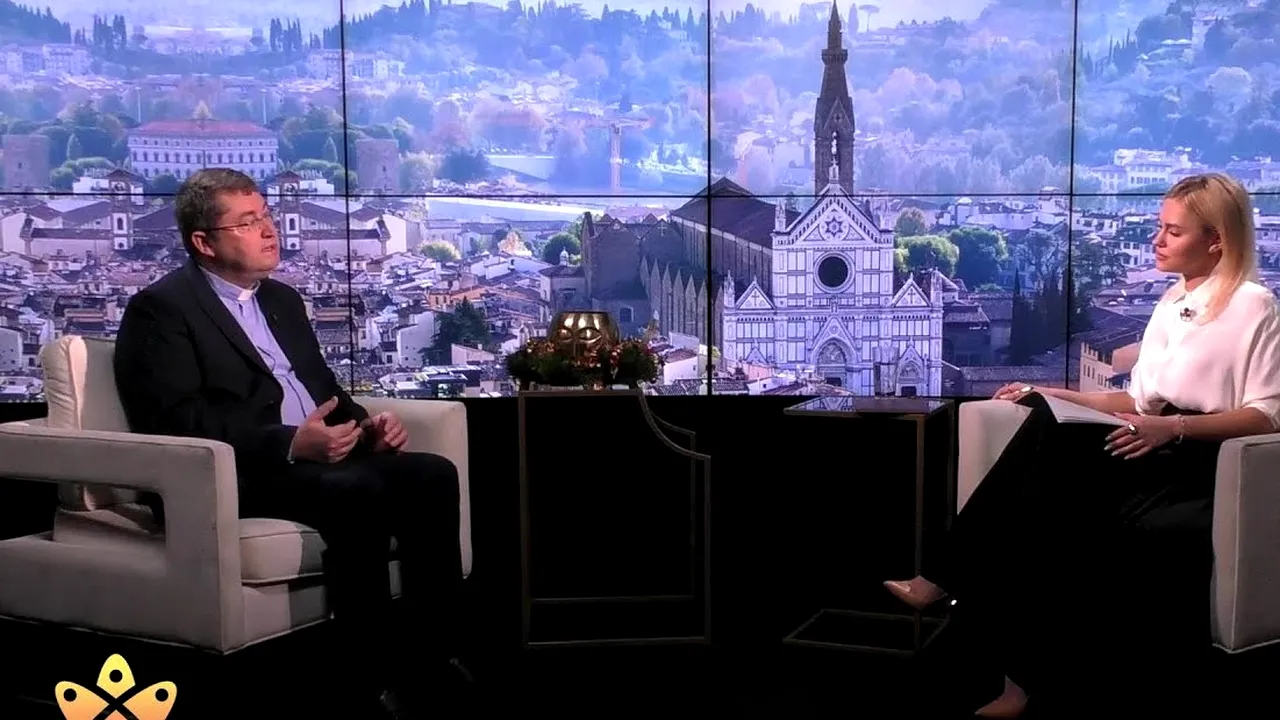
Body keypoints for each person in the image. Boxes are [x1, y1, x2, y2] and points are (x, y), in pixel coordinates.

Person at [886, 173, 1280, 717]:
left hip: (1202, 459)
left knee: (1049, 495)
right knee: (1045, 438)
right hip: (1143, 440)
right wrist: (1053, 392)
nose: (1156, 241)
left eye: (1173, 231)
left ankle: (949, 584)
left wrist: (1173, 430)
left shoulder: (1256, 306)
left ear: (1217, 239)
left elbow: (1267, 413)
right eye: (1159, 227)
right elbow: (1137, 401)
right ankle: (1014, 675)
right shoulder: (1171, 300)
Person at [112, 168, 472, 718]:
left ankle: (434, 656)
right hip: (238, 473)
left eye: (266, 216)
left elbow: (321, 389)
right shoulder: (162, 309)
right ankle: (368, 676)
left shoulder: (281, 299)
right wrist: (288, 444)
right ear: (203, 242)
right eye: (247, 222)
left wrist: (366, 427)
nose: (268, 230)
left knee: (431, 474)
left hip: (316, 459)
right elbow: (176, 419)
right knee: (356, 490)